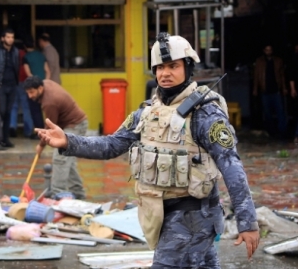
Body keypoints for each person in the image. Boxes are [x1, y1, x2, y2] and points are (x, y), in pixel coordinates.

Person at [37, 33, 259, 268]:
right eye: (160, 67)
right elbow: (112, 145)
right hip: (164, 216)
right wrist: (68, 142)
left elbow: (231, 166)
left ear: (188, 67)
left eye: (173, 66)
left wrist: (247, 222)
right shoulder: (147, 113)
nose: (165, 73)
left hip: (194, 217)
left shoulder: (205, 114)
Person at [23, 76, 88, 199]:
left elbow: (50, 129)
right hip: (70, 124)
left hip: (74, 126)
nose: (29, 96)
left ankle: (58, 195)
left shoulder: (49, 102)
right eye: (27, 93)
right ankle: (79, 194)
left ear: (40, 88)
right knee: (68, 161)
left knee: (60, 158)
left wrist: (40, 146)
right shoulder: (45, 83)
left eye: (31, 92)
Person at [0, 28, 20, 148]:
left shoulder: (16, 52)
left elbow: (17, 67)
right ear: (2, 38)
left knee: (8, 113)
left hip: (12, 85)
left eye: (12, 37)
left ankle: (5, 139)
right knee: (0, 112)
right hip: (0, 85)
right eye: (8, 37)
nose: (10, 39)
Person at [252, 45, 287, 139]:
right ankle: (271, 132)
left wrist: (284, 88)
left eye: (270, 50)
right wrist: (255, 89)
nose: (268, 52)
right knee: (267, 113)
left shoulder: (277, 61)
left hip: (276, 90)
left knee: (280, 112)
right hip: (265, 90)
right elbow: (256, 76)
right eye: (267, 50)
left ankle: (282, 132)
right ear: (264, 50)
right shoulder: (260, 61)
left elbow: (282, 75)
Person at [22, 40, 47, 134]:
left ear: (25, 46)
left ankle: (40, 132)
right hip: (43, 86)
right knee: (45, 109)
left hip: (33, 87)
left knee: (35, 111)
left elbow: (28, 74)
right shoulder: (41, 55)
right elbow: (47, 71)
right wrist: (45, 83)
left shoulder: (26, 57)